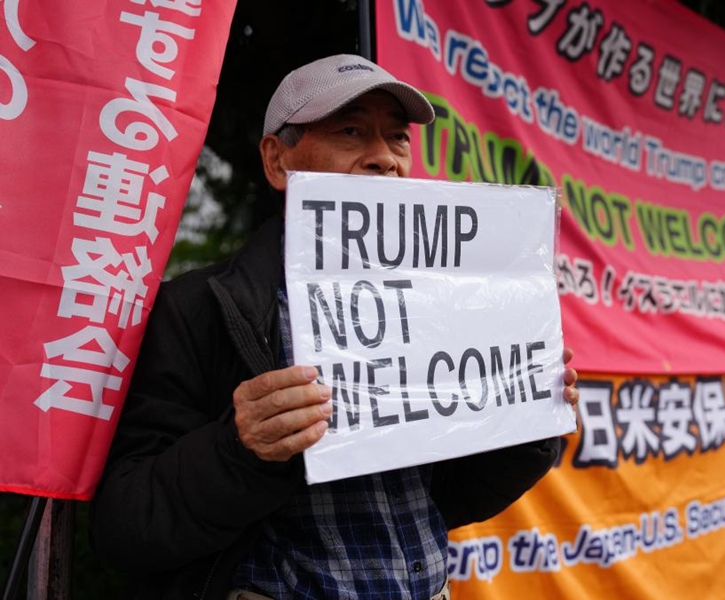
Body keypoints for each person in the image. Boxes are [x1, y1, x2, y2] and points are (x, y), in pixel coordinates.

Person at [89, 54, 579, 600]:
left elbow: (445, 497)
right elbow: (125, 528)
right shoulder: (198, 308)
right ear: (277, 161)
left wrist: (528, 416)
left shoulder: (447, 303)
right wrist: (239, 447)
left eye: (397, 139)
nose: (383, 160)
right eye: (351, 132)